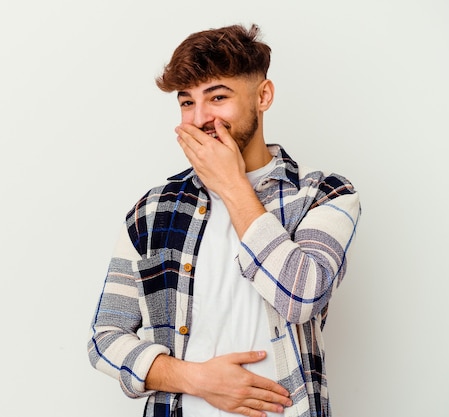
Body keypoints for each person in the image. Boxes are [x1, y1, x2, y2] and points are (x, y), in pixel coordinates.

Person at [87, 23, 361, 417]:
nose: (200, 118)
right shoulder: (153, 209)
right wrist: (196, 380)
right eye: (186, 102)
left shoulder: (324, 194)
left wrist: (232, 185)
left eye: (217, 97)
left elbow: (301, 297)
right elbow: (105, 338)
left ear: (263, 96)